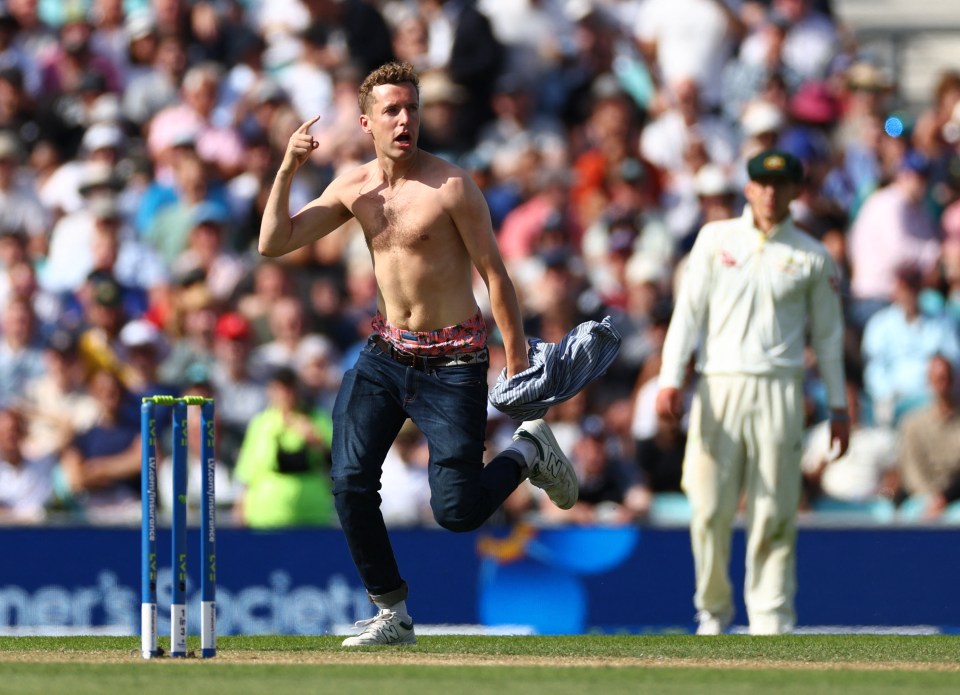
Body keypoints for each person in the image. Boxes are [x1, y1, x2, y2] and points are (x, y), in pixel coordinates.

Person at [259, 61, 578, 647]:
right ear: (366, 122)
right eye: (392, 111)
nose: (405, 120)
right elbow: (273, 242)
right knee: (350, 481)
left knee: (457, 511)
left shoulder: (452, 186)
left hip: (455, 360)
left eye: (412, 108)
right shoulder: (354, 187)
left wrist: (519, 362)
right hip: (386, 352)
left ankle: (528, 452)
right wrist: (288, 167)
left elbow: (496, 276)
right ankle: (391, 613)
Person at [655, 148, 849, 636]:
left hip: (780, 390)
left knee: (775, 508)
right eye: (761, 183)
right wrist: (670, 377)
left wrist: (840, 406)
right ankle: (713, 613)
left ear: (795, 192)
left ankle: (771, 618)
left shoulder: (811, 254)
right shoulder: (714, 239)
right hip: (720, 384)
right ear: (748, 188)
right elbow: (688, 315)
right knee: (710, 506)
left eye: (780, 185)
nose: (769, 192)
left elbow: (827, 337)